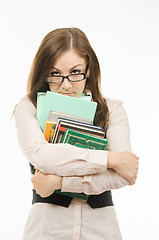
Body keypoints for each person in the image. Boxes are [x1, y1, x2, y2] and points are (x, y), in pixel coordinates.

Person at [14, 27, 139, 240]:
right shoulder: (29, 107)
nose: (65, 85)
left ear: (89, 69)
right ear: (44, 72)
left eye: (75, 73)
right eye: (55, 74)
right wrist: (110, 158)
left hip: (102, 230)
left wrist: (60, 183)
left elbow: (123, 174)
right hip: (47, 230)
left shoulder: (112, 108)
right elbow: (43, 157)